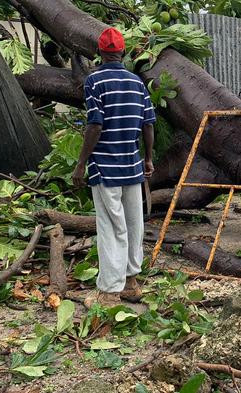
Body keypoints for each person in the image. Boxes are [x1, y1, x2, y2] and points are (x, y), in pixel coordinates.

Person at [72, 27, 155, 308]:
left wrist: (81, 163)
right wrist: (148, 158)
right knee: (134, 224)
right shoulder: (137, 83)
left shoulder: (94, 81)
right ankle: (132, 282)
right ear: (122, 53)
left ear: (100, 53)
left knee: (110, 226)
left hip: (105, 167)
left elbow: (95, 124)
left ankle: (108, 292)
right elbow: (148, 124)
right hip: (132, 165)